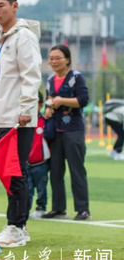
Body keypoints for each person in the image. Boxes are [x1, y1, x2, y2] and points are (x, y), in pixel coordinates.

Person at [0, 0, 42, 248]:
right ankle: (19, 225)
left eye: (1, 5)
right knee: (6, 175)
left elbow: (32, 75)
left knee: (15, 172)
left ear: (14, 6)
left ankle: (16, 226)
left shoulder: (24, 37)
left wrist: (26, 109)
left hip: (18, 119)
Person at [42, 44, 91, 221]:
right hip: (55, 131)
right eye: (51, 58)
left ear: (67, 60)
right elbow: (49, 101)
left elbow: (83, 100)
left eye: (57, 58)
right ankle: (58, 208)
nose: (53, 61)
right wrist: (47, 110)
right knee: (55, 171)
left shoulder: (76, 77)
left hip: (73, 130)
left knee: (76, 170)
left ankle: (83, 209)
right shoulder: (49, 80)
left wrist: (61, 100)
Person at [28, 92, 50, 219]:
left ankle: (41, 207)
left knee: (42, 187)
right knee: (27, 188)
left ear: (40, 105)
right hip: (27, 161)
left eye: (34, 104)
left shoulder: (44, 121)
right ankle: (25, 209)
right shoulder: (23, 121)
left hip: (40, 162)